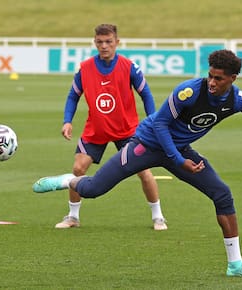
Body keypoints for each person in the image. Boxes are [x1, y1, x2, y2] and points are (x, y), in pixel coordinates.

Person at [33, 49, 242, 278]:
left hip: (179, 151)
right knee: (93, 188)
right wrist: (179, 160)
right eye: (210, 75)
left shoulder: (238, 99)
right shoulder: (188, 90)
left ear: (232, 79)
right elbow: (159, 126)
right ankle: (65, 180)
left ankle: (235, 263)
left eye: (218, 78)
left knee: (222, 194)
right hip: (146, 145)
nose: (211, 81)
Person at [52, 24, 167, 230]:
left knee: (144, 171)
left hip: (128, 130)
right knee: (78, 168)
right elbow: (73, 96)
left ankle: (158, 217)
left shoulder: (130, 67)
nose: (104, 46)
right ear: (95, 42)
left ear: (117, 42)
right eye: (100, 42)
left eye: (108, 42)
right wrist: (67, 120)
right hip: (96, 129)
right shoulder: (85, 68)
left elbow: (146, 95)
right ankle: (73, 217)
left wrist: (153, 122)